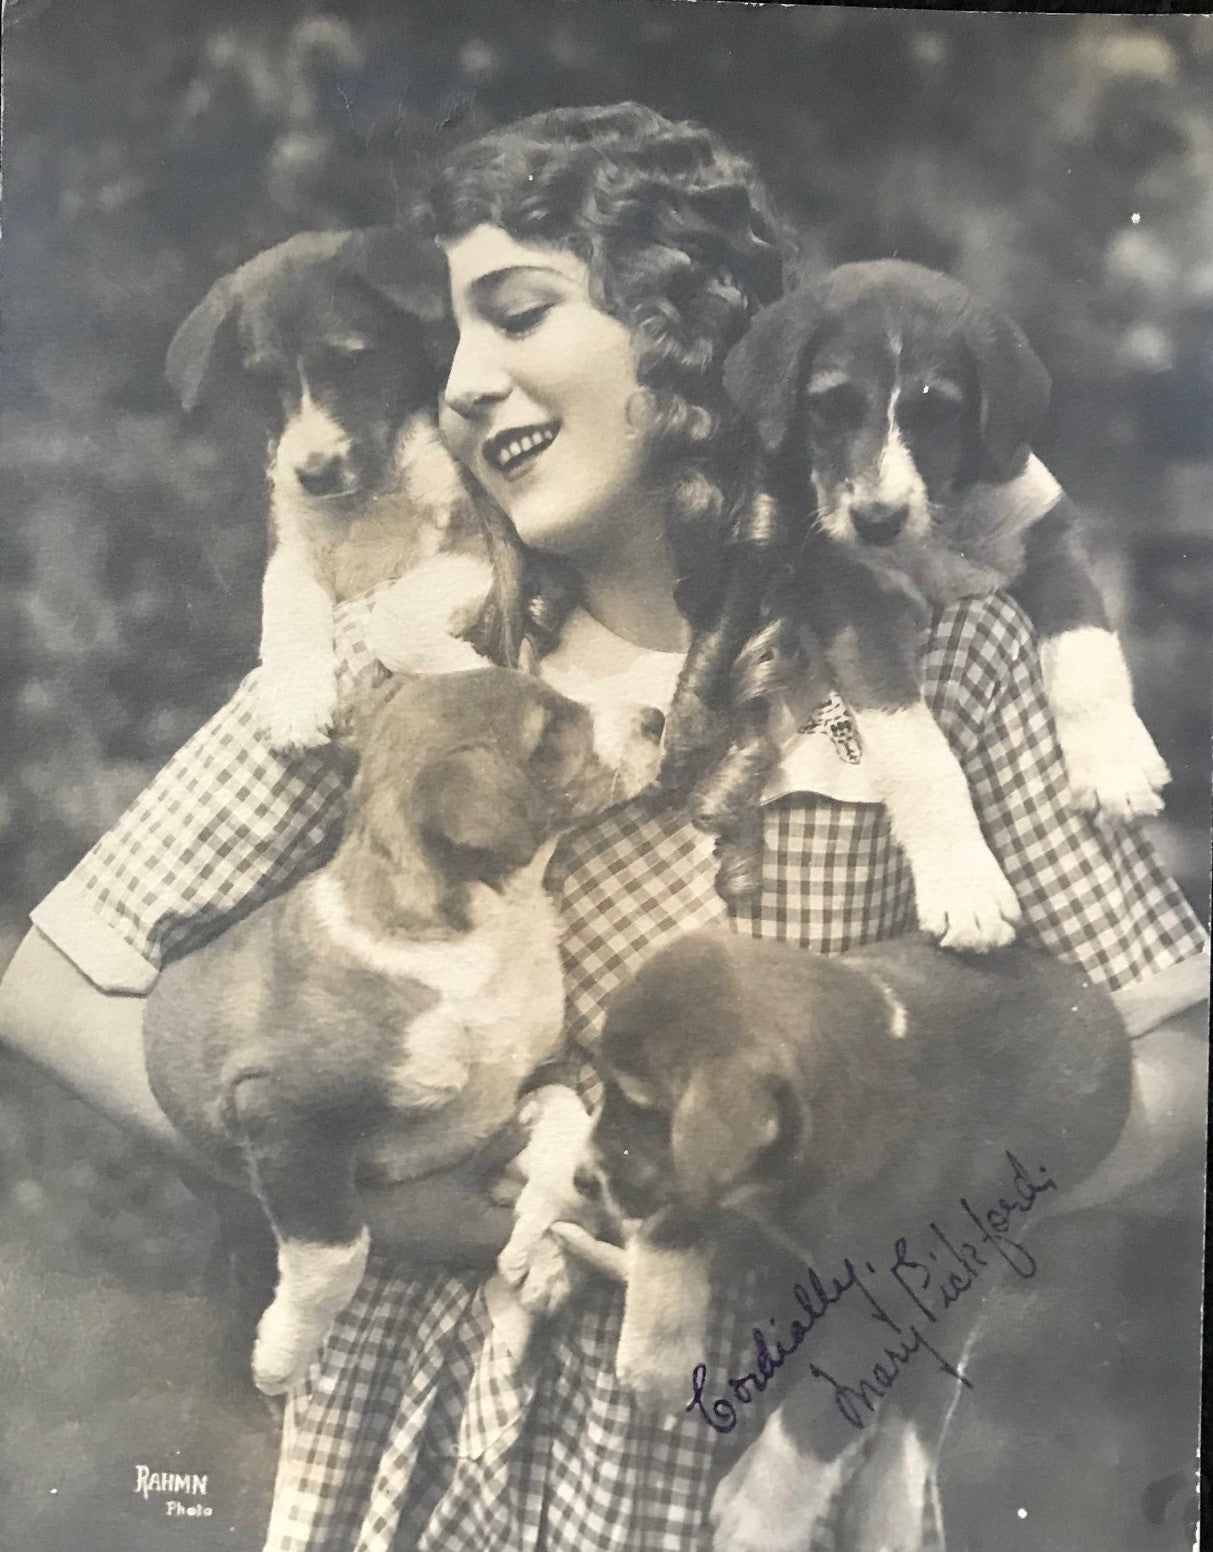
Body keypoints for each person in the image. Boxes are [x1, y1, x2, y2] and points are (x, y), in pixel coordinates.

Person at [0, 104, 1206, 1552]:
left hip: (757, 1456)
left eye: (517, 313)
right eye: (442, 343)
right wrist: (381, 1185)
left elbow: (1170, 1058)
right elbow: (52, 979)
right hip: (416, 1458)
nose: (461, 385)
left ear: (685, 331)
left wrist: (875, 1190)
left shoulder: (933, 653)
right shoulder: (409, 659)